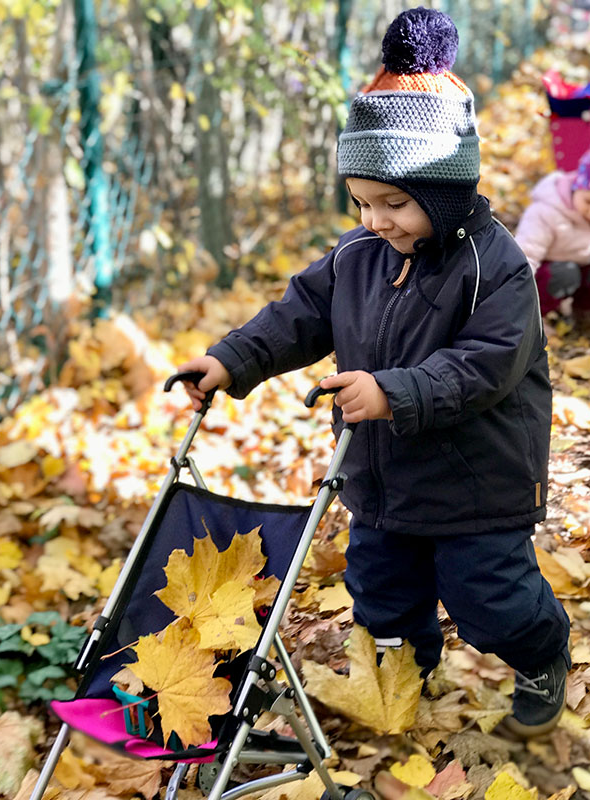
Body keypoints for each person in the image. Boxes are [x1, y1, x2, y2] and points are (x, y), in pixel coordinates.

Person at [179, 7, 570, 738]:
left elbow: (484, 365)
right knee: (382, 593)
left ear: (446, 193)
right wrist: (232, 360)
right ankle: (404, 670)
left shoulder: (497, 267)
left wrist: (392, 391)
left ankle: (542, 650)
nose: (374, 221)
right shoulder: (358, 256)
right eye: (360, 202)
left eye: (394, 203)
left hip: (477, 482)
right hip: (381, 478)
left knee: (491, 598)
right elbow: (299, 314)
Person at [515, 147, 590, 318]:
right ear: (576, 187)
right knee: (565, 273)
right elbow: (525, 256)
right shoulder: (546, 212)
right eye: (588, 201)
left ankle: (581, 313)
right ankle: (534, 317)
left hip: (580, 267)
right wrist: (515, 300)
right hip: (544, 273)